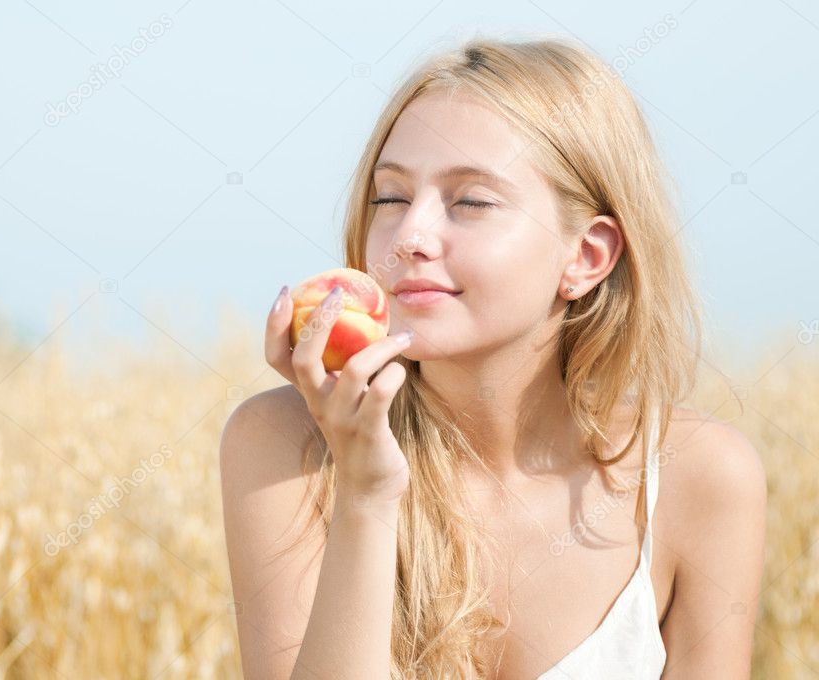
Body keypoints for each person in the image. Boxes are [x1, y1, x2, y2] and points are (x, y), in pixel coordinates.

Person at [220, 36, 767, 679]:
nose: (409, 237)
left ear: (586, 256)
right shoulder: (287, 445)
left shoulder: (696, 476)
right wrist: (366, 497)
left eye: (471, 202)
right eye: (390, 198)